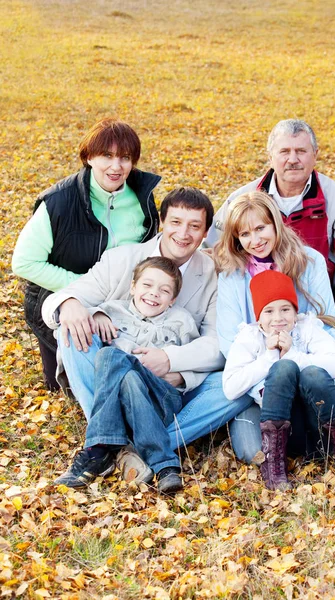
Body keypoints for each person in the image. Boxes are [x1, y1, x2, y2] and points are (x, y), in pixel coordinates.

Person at [42, 187, 254, 483]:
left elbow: (219, 344)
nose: (183, 233)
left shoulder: (215, 275)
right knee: (72, 330)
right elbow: (62, 299)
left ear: (206, 232)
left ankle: (119, 445)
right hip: (113, 374)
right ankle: (112, 440)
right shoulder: (122, 259)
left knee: (237, 386)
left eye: (194, 226)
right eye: (176, 222)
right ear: (161, 223)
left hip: (169, 385)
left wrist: (171, 362)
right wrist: (70, 304)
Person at [206, 119, 335, 426]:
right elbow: (212, 246)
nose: (293, 159)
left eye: (301, 151)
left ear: (315, 154)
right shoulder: (245, 198)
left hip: (317, 292)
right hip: (258, 318)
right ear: (271, 155)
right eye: (285, 151)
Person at [214, 190, 335, 464]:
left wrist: (301, 367)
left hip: (310, 364)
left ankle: (324, 410)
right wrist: (271, 388)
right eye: (245, 234)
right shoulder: (232, 276)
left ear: (275, 223)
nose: (255, 240)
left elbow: (327, 326)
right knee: (250, 451)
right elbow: (231, 345)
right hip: (261, 381)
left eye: (261, 228)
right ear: (236, 239)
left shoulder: (309, 260)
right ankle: (305, 427)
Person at [12, 118, 160, 391]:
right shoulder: (59, 202)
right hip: (56, 297)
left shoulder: (141, 199)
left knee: (127, 374)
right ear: (89, 156)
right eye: (107, 156)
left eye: (125, 158)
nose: (116, 166)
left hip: (119, 303)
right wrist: (81, 292)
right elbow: (24, 262)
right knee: (74, 385)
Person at [55, 256, 201, 494]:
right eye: (147, 285)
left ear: (172, 299)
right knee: (126, 375)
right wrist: (97, 313)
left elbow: (198, 360)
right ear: (133, 287)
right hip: (127, 400)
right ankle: (165, 466)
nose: (154, 294)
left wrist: (181, 375)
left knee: (110, 357)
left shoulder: (182, 322)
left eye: (164, 290)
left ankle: (99, 448)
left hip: (161, 398)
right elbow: (77, 325)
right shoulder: (113, 311)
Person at [223, 269, 335, 490]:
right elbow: (230, 388)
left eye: (285, 309)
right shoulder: (249, 338)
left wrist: (293, 355)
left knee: (312, 372)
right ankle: (274, 465)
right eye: (269, 311)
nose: (278, 318)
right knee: (283, 369)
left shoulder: (307, 328)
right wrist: (270, 357)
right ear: (258, 316)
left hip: (318, 420)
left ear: (295, 311)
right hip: (284, 428)